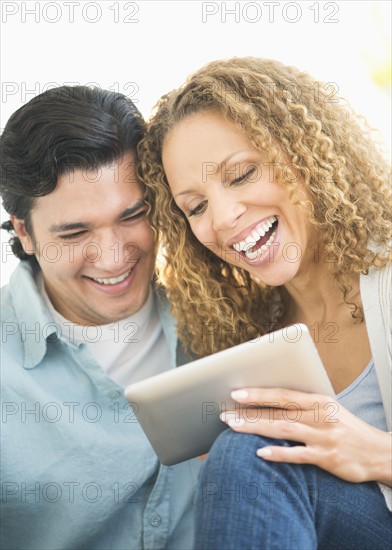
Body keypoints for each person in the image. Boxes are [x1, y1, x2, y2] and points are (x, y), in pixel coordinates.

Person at [139, 57, 392, 549]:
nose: (226, 217)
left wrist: (376, 454)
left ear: (307, 153)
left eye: (242, 174)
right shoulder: (245, 334)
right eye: (196, 206)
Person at [0, 86, 202, 550]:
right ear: (24, 232)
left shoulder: (217, 316)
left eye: (133, 215)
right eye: (75, 232)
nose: (113, 258)